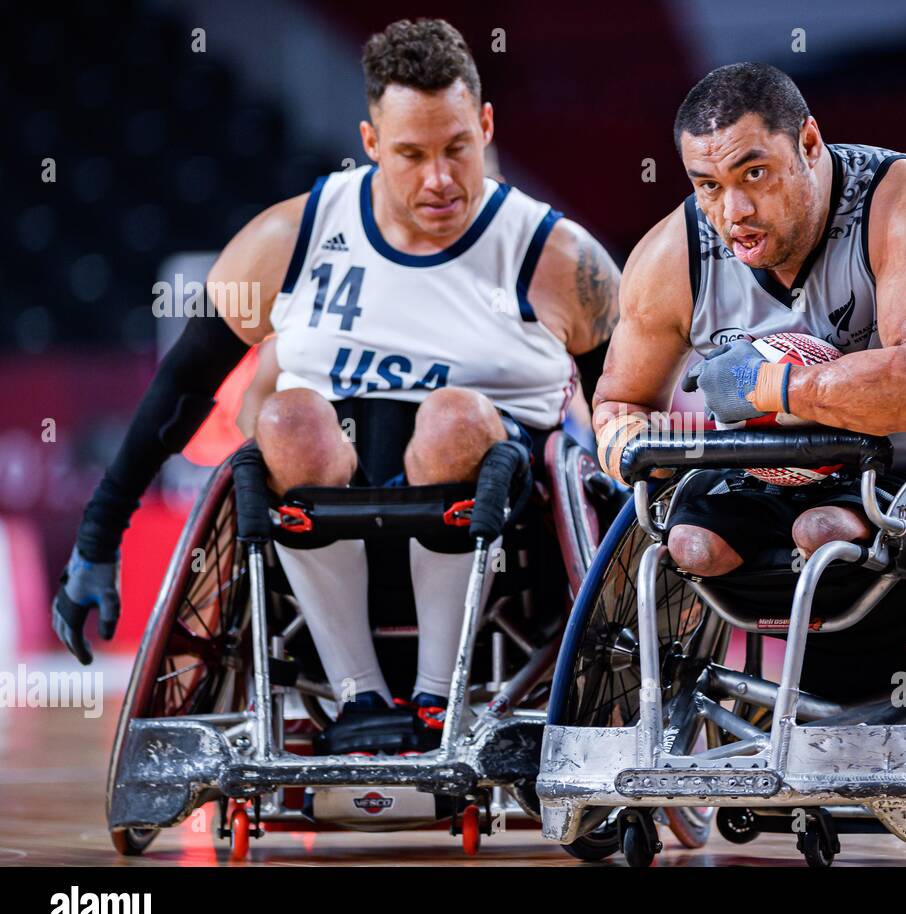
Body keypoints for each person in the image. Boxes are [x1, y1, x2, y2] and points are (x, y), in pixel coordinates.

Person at [52, 18, 620, 753]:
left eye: (456, 148)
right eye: (412, 155)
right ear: (372, 142)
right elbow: (182, 386)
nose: (440, 178)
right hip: (321, 540)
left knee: (451, 416)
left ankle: (435, 698)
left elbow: (624, 410)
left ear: (484, 125)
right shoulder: (294, 236)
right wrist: (98, 537)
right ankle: (360, 697)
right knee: (285, 417)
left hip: (508, 558)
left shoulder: (557, 256)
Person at [591, 62, 906, 696]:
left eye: (753, 173)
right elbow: (620, 400)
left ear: (809, 144)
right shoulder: (673, 254)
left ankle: (898, 692)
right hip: (772, 477)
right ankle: (701, 720)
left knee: (822, 534)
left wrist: (773, 387)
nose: (734, 211)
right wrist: (629, 444)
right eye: (707, 186)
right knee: (691, 544)